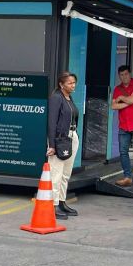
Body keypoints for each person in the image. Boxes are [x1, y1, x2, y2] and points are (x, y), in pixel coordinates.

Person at [46, 71, 80, 220]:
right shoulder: (56, 98)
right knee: (56, 173)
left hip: (72, 137)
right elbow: (51, 122)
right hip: (60, 140)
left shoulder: (69, 98)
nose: (73, 85)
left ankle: (61, 202)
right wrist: (52, 145)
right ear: (61, 84)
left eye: (74, 83)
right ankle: (52, 206)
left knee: (66, 174)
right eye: (70, 83)